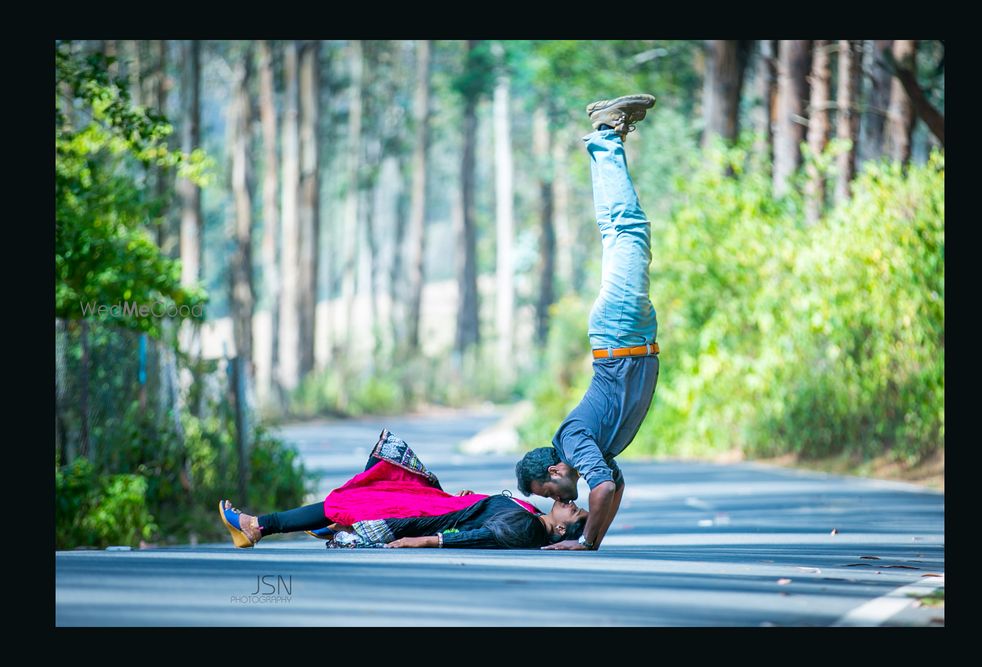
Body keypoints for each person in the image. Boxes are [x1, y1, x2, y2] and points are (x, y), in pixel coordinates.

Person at [514, 94, 660, 551]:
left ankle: (605, 136)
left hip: (620, 334)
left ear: (555, 472)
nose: (552, 502)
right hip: (630, 337)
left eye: (547, 494)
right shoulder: (591, 452)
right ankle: (606, 137)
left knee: (627, 232)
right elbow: (613, 485)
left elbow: (602, 490)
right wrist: (592, 539)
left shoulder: (574, 442)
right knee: (623, 233)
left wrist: (585, 543)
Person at [218, 428, 587, 550]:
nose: (570, 503)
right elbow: (486, 515)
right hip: (442, 504)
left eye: (574, 512)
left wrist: (423, 541)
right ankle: (335, 524)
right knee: (389, 466)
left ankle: (258, 526)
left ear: (560, 529)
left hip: (430, 518)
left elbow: (477, 536)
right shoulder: (532, 518)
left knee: (356, 500)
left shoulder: (527, 528)